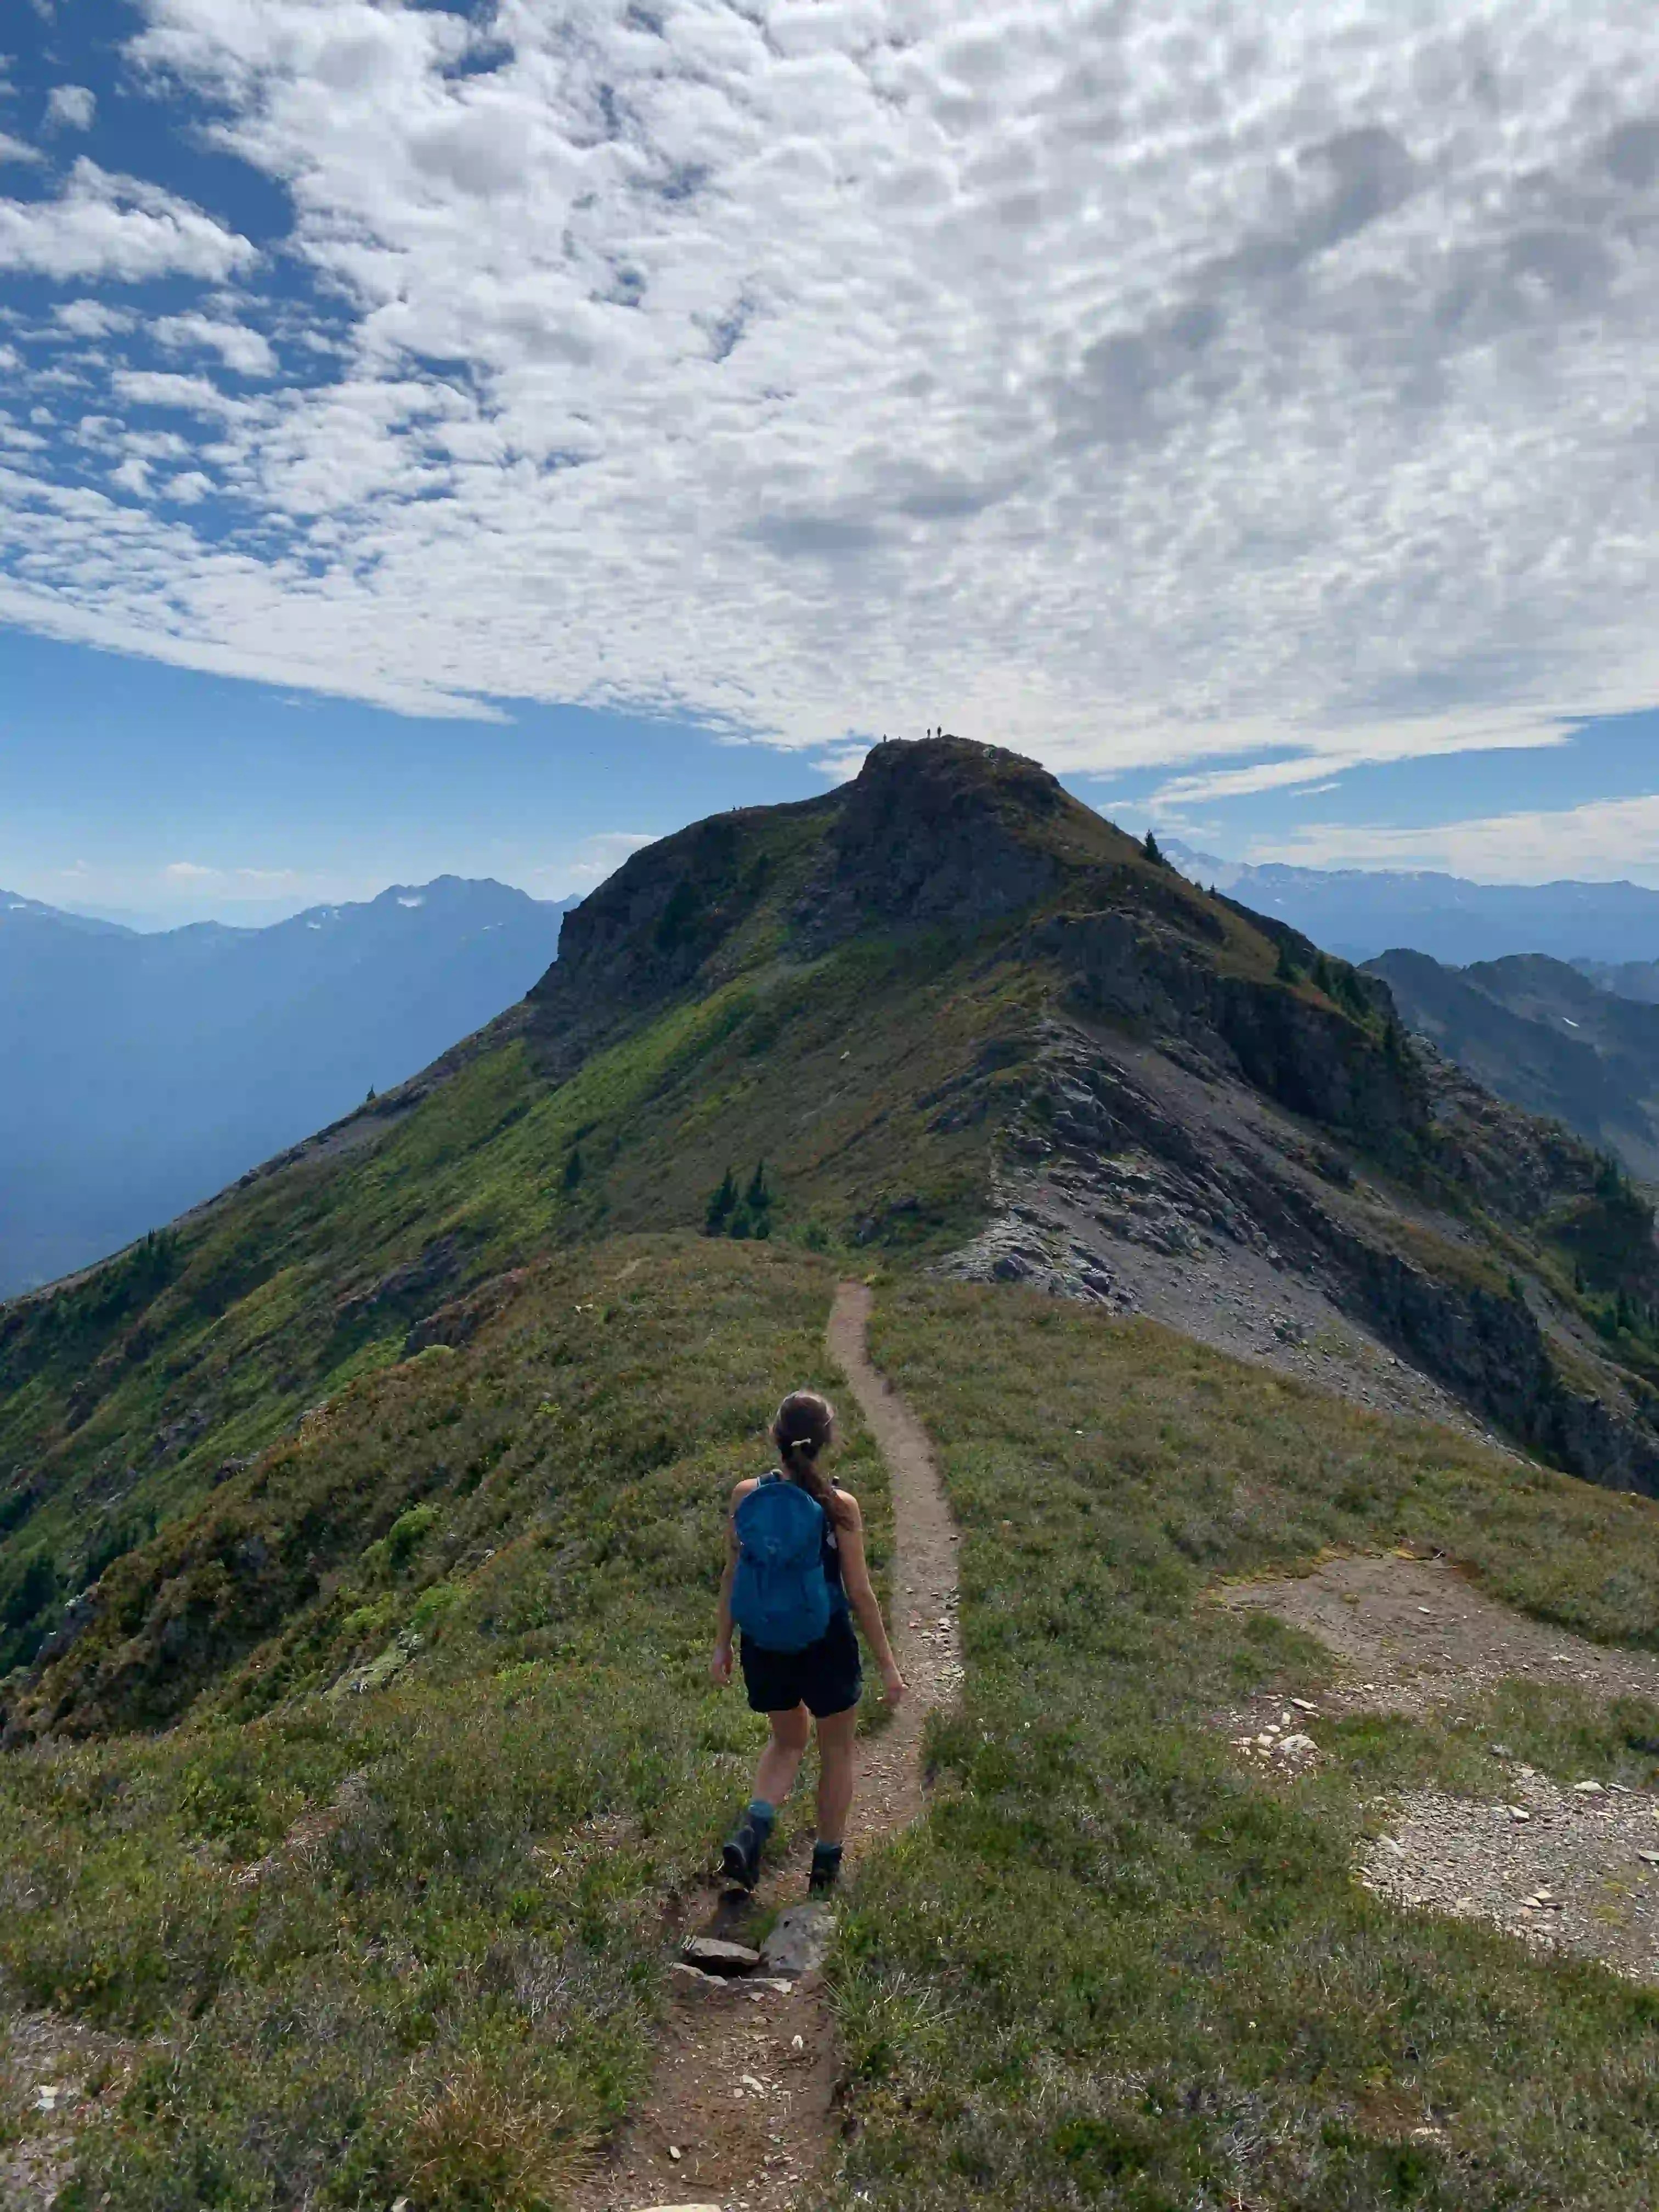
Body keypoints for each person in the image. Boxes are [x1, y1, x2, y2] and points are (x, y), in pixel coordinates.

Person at [712, 1388, 905, 1895]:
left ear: (775, 1437)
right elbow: (859, 1593)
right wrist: (888, 1666)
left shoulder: (745, 1496)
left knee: (786, 1741)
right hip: (825, 1641)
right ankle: (824, 1869)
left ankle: (754, 1830)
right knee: (836, 1750)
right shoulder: (839, 1506)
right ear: (826, 1442)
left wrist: (721, 1646)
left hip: (765, 1641)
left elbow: (732, 1575)